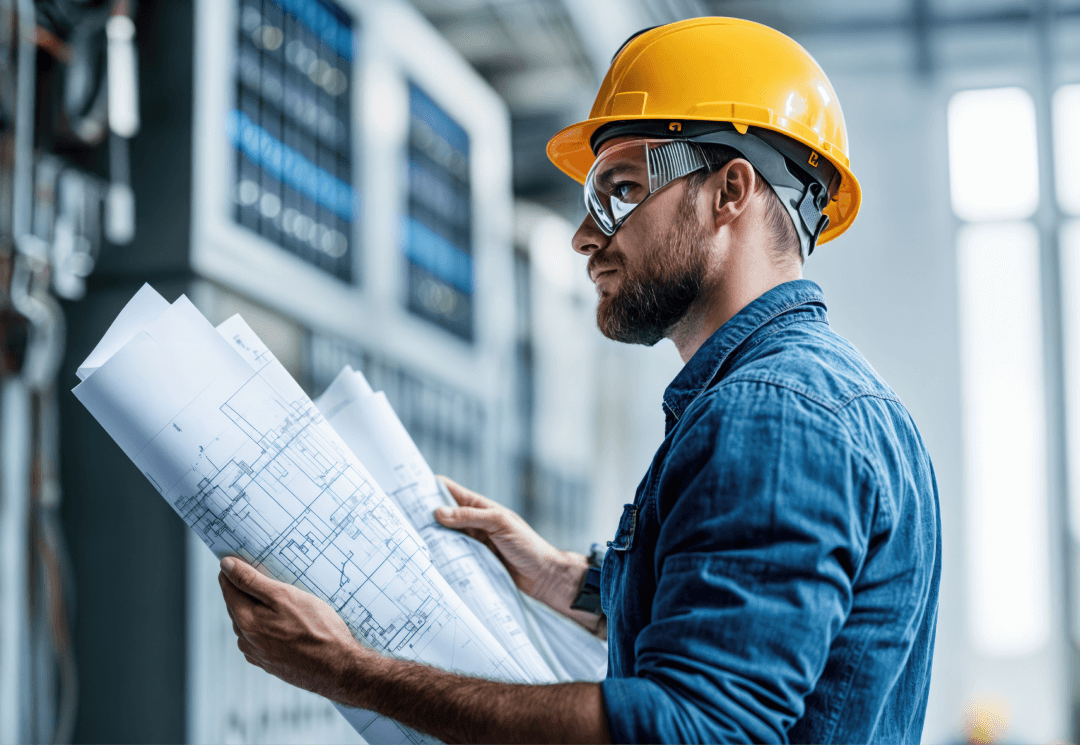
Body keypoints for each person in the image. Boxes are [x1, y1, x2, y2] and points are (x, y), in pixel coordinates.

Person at [218, 17, 941, 744]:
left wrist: (348, 669)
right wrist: (571, 578)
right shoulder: (827, 401)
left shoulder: (773, 416)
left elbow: (689, 728)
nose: (584, 235)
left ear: (731, 191)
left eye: (619, 188)